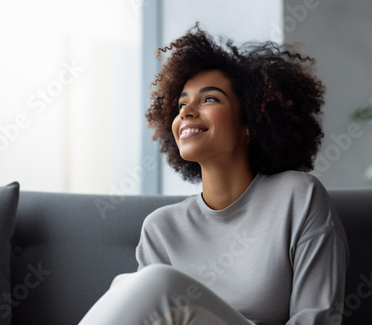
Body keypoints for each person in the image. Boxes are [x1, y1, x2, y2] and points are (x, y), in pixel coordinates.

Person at [79, 23, 348, 325]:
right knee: (131, 286)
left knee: (156, 283)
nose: (186, 112)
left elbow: (318, 318)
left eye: (209, 99)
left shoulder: (298, 197)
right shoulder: (161, 228)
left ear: (251, 122)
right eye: (181, 104)